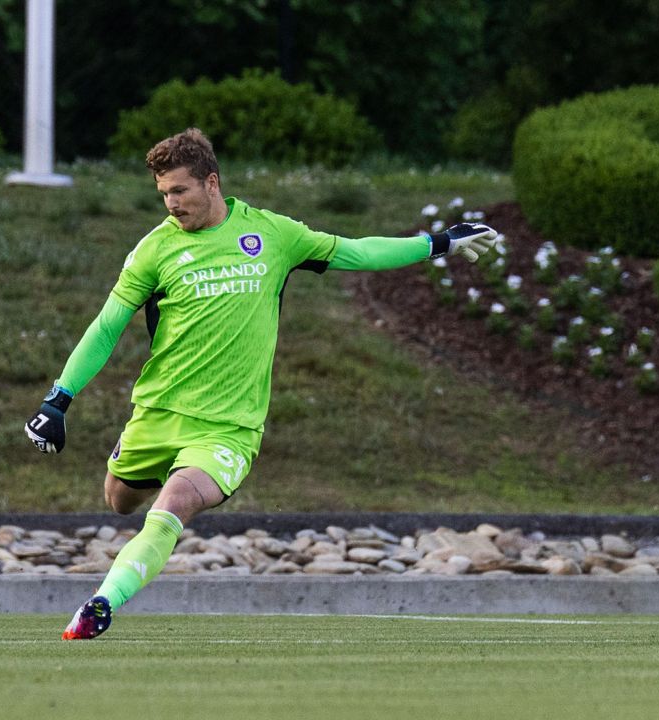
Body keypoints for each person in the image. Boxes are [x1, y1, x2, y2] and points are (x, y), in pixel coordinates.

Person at [24, 128, 497, 640]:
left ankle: (100, 604)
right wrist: (59, 399)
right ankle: (148, 467)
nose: (170, 204)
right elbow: (107, 326)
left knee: (174, 503)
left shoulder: (272, 235)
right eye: (163, 194)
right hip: (159, 413)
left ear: (212, 182)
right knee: (118, 500)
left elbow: (357, 252)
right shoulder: (154, 250)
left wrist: (439, 242)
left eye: (179, 191)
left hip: (230, 427)